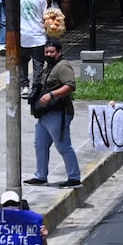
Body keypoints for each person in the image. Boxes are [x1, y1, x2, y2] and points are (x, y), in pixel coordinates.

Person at [24, 39, 81, 187]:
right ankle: (41, 175)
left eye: (52, 52)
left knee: (63, 146)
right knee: (40, 145)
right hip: (44, 114)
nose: (48, 54)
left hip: (59, 113)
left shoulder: (63, 66)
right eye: (46, 52)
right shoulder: (49, 67)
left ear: (59, 52)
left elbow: (70, 86)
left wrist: (51, 95)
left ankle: (74, 177)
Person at [17, 0, 48, 97]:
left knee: (23, 62)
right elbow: (45, 15)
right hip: (38, 35)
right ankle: (36, 87)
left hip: (23, 35)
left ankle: (24, 86)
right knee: (38, 63)